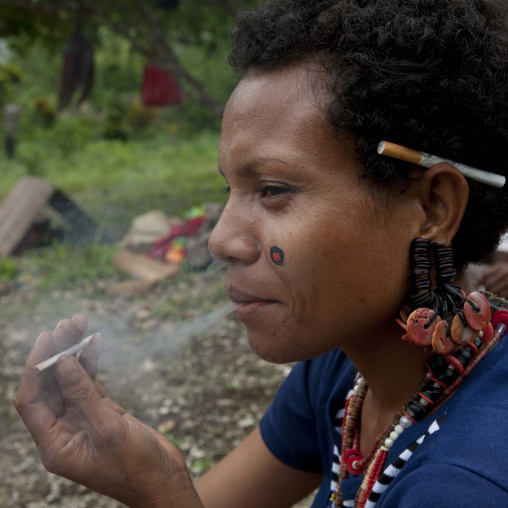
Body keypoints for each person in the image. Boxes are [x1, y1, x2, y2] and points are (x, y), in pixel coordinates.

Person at [13, 1, 508, 506]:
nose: (221, 240)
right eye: (230, 188)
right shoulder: (346, 372)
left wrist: (158, 494)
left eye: (272, 189)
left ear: (432, 207)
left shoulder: (467, 483)